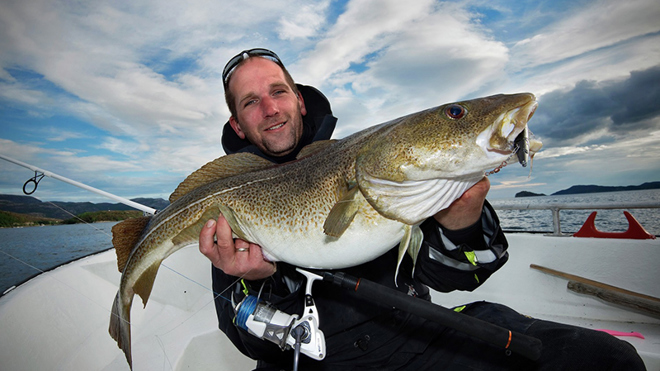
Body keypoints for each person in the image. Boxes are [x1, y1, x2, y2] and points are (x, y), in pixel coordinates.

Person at [199, 48, 645, 370]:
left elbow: (461, 277)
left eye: (278, 92)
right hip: (310, 360)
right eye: (251, 102)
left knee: (608, 360)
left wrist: (463, 224)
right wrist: (261, 284)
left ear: (298, 98)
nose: (270, 109)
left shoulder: (387, 169)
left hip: (416, 337)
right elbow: (250, 344)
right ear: (238, 124)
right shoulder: (231, 199)